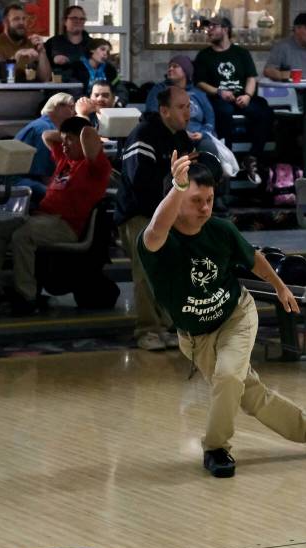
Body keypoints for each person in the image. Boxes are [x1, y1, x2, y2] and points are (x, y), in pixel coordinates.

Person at [138, 151, 306, 478]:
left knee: (229, 377)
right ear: (175, 198)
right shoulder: (159, 242)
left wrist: (280, 286)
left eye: (209, 199)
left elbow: (253, 258)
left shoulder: (221, 230)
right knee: (251, 398)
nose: (205, 207)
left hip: (236, 317)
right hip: (196, 338)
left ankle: (216, 448)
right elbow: (157, 227)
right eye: (196, 200)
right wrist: (177, 185)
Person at [0, 117, 111, 315]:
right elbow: (46, 135)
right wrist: (67, 135)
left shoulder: (96, 167)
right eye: (64, 140)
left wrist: (79, 131)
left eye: (70, 141)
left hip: (65, 225)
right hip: (40, 218)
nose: (64, 145)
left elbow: (89, 135)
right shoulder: (64, 160)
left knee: (22, 236)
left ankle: (26, 296)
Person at [116, 86, 196, 351]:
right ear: (164, 111)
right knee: (146, 270)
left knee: (169, 270)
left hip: (167, 214)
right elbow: (140, 181)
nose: (188, 111)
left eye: (188, 106)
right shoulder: (143, 136)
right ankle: (147, 330)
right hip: (139, 214)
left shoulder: (182, 138)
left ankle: (169, 325)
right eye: (181, 107)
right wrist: (173, 188)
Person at [194, 17, 273, 183]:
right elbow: (200, 83)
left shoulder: (241, 53)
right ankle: (226, 160)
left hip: (241, 97)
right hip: (219, 98)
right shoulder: (204, 56)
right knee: (224, 111)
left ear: (225, 29)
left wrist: (248, 96)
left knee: (264, 110)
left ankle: (252, 158)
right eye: (208, 27)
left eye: (213, 26)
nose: (209, 30)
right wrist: (219, 91)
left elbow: (252, 78)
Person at [146, 55, 217, 155]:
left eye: (175, 66)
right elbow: (152, 114)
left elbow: (210, 118)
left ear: (186, 71)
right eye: (169, 67)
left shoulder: (198, 93)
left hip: (198, 136)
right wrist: (180, 133)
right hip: (170, 135)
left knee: (209, 149)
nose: (170, 69)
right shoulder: (159, 90)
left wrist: (203, 134)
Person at [14, 92, 78, 198]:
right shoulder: (44, 129)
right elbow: (45, 174)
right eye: (71, 107)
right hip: (18, 179)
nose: (74, 112)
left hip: (29, 176)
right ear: (57, 107)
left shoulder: (48, 125)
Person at [0, 3, 51, 83]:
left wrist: (42, 52)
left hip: (34, 92)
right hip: (8, 93)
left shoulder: (32, 43)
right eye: (16, 19)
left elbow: (45, 79)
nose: (22, 23)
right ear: (6, 22)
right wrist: (16, 57)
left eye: (24, 19)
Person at [263, 13, 306, 81]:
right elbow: (268, 71)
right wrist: (285, 76)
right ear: (297, 29)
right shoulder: (282, 47)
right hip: (290, 89)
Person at [45, 5, 92, 79]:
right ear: (64, 21)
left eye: (82, 19)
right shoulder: (53, 43)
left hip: (86, 87)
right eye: (74, 18)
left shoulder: (92, 44)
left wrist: (68, 60)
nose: (78, 21)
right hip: (58, 88)